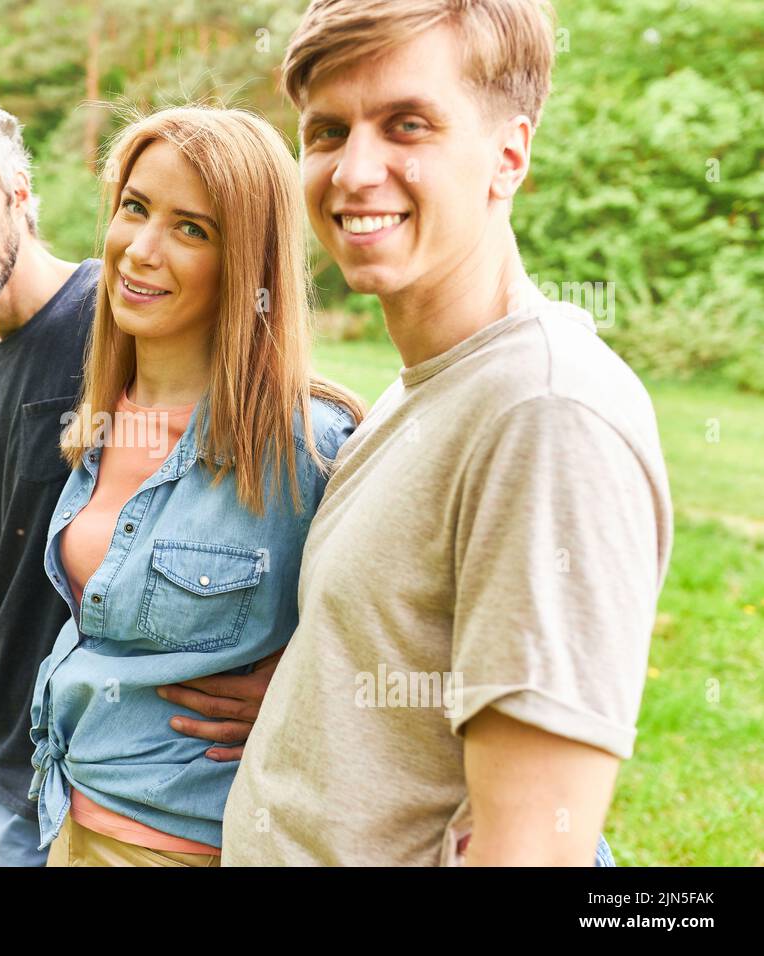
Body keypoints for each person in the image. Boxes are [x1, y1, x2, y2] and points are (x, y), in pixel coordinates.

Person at [223, 0, 673, 866]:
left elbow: (531, 850)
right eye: (326, 131)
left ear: (509, 155)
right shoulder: (423, 388)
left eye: (407, 124)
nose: (355, 171)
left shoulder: (545, 415)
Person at [0, 93, 287, 866]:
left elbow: (261, 480)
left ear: (19, 188)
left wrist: (293, 680)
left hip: (110, 772)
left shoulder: (115, 316)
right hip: (0, 726)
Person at [28, 106, 362, 867]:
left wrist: (301, 690)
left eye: (191, 229)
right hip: (72, 818)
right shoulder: (104, 421)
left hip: (196, 843)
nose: (141, 251)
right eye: (135, 209)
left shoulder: (308, 448)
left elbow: (421, 643)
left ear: (247, 263)